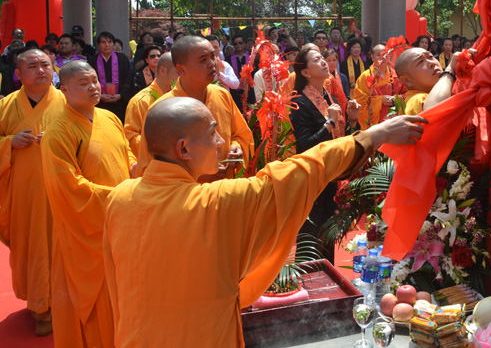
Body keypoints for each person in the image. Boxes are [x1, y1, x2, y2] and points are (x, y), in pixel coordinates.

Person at [103, 98, 425, 347]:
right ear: (183, 148)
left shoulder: (120, 199)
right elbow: (302, 171)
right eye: (213, 131)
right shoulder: (216, 202)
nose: (221, 141)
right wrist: (374, 135)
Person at [41, 61, 134, 348]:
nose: (93, 87)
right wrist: (120, 198)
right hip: (85, 231)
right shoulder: (58, 131)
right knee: (96, 302)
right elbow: (68, 186)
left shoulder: (110, 118)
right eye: (83, 83)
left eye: (94, 80)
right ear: (64, 90)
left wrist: (138, 173)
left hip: (122, 221)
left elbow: (126, 154)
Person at [0, 49, 66, 336]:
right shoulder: (6, 106)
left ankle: (63, 302)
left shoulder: (68, 102)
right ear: (19, 74)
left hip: (63, 189)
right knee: (33, 245)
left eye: (46, 65)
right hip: (24, 193)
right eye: (33, 66)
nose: (41, 70)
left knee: (61, 246)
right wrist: (10, 142)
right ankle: (41, 307)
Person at [135, 36, 253, 177]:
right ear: (181, 70)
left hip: (225, 191)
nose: (212, 64)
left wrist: (237, 148)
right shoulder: (162, 109)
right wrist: (198, 176)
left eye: (213, 56)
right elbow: (150, 166)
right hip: (186, 195)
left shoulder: (222, 95)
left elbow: (241, 135)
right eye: (203, 60)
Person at [289, 47, 360, 260]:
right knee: (311, 235)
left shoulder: (328, 97)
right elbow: (303, 145)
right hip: (313, 178)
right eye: (317, 60)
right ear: (305, 73)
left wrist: (353, 120)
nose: (323, 62)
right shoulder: (300, 102)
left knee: (329, 235)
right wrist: (329, 122)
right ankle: (308, 283)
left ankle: (329, 281)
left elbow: (339, 142)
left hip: (332, 176)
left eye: (323, 58)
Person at [123, 53, 178, 156]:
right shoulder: (141, 101)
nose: (181, 76)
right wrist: (161, 145)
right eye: (178, 72)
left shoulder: (178, 96)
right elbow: (130, 137)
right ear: (163, 70)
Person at [395, 47, 464, 116]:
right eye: (420, 62)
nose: (432, 63)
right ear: (407, 80)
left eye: (431, 57)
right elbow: (434, 110)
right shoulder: (415, 100)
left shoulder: (449, 86)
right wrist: (449, 71)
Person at [352, 44, 406, 130]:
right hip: (374, 124)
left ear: (389, 57)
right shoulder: (365, 77)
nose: (382, 58)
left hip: (393, 120)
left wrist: (396, 99)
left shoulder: (397, 75)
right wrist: (380, 100)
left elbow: (408, 94)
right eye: (378, 55)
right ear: (372, 57)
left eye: (385, 55)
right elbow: (359, 101)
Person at [88, 31, 133, 121]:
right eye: (103, 42)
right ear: (98, 44)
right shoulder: (92, 61)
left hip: (119, 102)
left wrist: (120, 95)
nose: (107, 45)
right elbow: (89, 81)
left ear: (113, 44)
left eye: (110, 42)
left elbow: (129, 79)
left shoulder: (122, 59)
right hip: (100, 102)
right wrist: (100, 95)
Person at [227, 33, 254, 110]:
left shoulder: (252, 58)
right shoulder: (228, 60)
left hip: (250, 91)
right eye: (235, 44)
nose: (238, 45)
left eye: (240, 43)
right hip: (235, 93)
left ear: (245, 44)